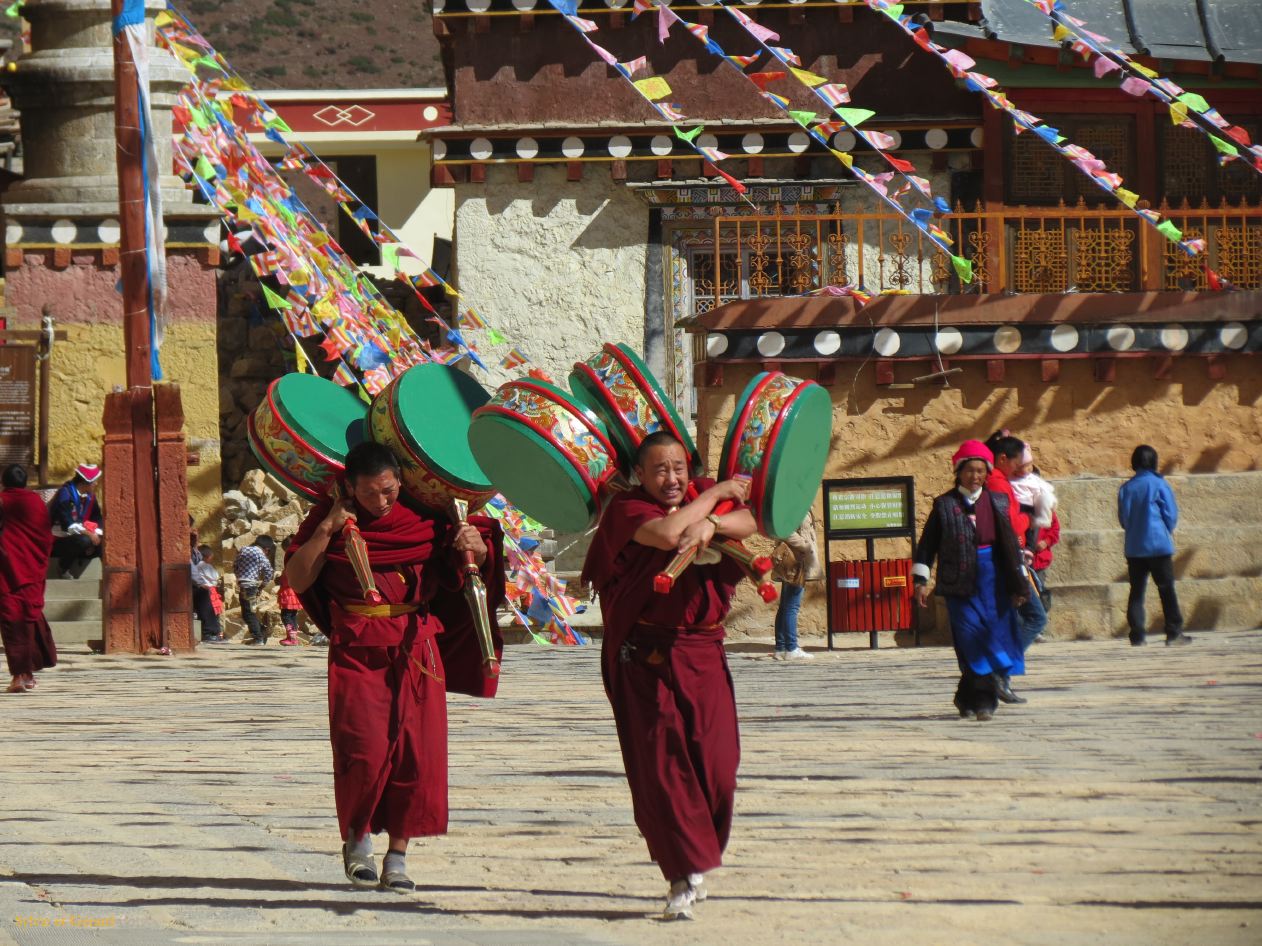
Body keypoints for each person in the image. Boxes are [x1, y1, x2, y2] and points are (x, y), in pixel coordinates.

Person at [285, 442, 504, 892]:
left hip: (417, 647)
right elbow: (299, 578)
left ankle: (398, 857)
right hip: (358, 647)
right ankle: (357, 841)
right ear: (349, 488)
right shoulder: (328, 521)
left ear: (401, 483)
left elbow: (462, 571)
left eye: (389, 491)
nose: (382, 502)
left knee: (415, 754)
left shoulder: (422, 522)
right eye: (370, 494)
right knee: (361, 751)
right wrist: (327, 528)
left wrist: (477, 549)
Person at [582, 431, 758, 920]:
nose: (672, 478)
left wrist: (711, 525)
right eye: (660, 470)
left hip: (703, 650)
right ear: (640, 475)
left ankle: (697, 854)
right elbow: (667, 535)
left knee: (719, 767)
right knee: (663, 768)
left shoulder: (697, 493)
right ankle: (681, 873)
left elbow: (750, 520)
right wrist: (715, 499)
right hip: (646, 655)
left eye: (679, 468)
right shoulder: (627, 509)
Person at [913, 441, 1028, 721]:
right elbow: (927, 546)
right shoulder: (944, 505)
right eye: (970, 471)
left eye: (980, 471)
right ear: (959, 472)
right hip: (959, 584)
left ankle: (967, 698)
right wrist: (920, 580)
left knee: (988, 638)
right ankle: (986, 702)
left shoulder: (997, 502)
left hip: (994, 583)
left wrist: (1020, 583)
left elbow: (1010, 546)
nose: (975, 477)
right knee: (972, 639)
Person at [1118, 445, 1188, 646]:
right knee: (1166, 589)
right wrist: (1165, 529)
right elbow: (1171, 515)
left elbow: (1123, 519)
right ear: (1154, 461)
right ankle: (1174, 632)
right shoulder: (1159, 484)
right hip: (1158, 545)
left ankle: (1137, 635)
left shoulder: (1126, 488)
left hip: (1134, 547)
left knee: (1137, 591)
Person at [984, 432, 1047, 658]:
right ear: (1002, 459)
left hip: (1007, 555)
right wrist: (1030, 517)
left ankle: (999, 667)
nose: (1019, 467)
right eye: (1016, 462)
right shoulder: (998, 485)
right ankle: (1001, 663)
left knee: (1010, 617)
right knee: (1036, 617)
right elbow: (1009, 525)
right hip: (1008, 557)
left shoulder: (998, 482)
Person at [0, 465, 56, 693]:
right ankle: (28, 675)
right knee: (27, 619)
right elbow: (45, 537)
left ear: (4, 483)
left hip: (10, 572)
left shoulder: (3, 502)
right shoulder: (36, 503)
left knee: (13, 623)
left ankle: (19, 677)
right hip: (31, 570)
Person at [770, 509, 823, 660]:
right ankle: (792, 648)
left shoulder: (799, 504)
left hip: (797, 561)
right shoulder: (793, 506)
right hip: (796, 562)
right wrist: (805, 546)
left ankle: (781, 648)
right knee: (792, 607)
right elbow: (784, 531)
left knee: (786, 606)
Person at [49, 464, 103, 578]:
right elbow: (67, 524)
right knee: (83, 541)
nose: (96, 484)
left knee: (102, 542)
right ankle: (63, 567)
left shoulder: (90, 497)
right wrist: (89, 535)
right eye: (94, 481)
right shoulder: (65, 494)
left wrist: (97, 534)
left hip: (80, 536)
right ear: (85, 483)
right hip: (59, 539)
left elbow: (97, 517)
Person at [233, 536, 276, 644]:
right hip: (252, 587)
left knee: (247, 613)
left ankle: (258, 636)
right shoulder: (262, 556)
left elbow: (235, 565)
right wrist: (262, 585)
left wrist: (239, 576)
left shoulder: (244, 550)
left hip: (244, 585)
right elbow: (269, 572)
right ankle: (261, 632)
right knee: (250, 612)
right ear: (266, 549)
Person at [192, 544, 227, 644]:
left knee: (209, 612)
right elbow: (214, 576)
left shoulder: (197, 565)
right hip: (209, 590)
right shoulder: (204, 565)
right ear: (208, 556)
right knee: (211, 612)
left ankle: (214, 633)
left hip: (208, 590)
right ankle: (210, 633)